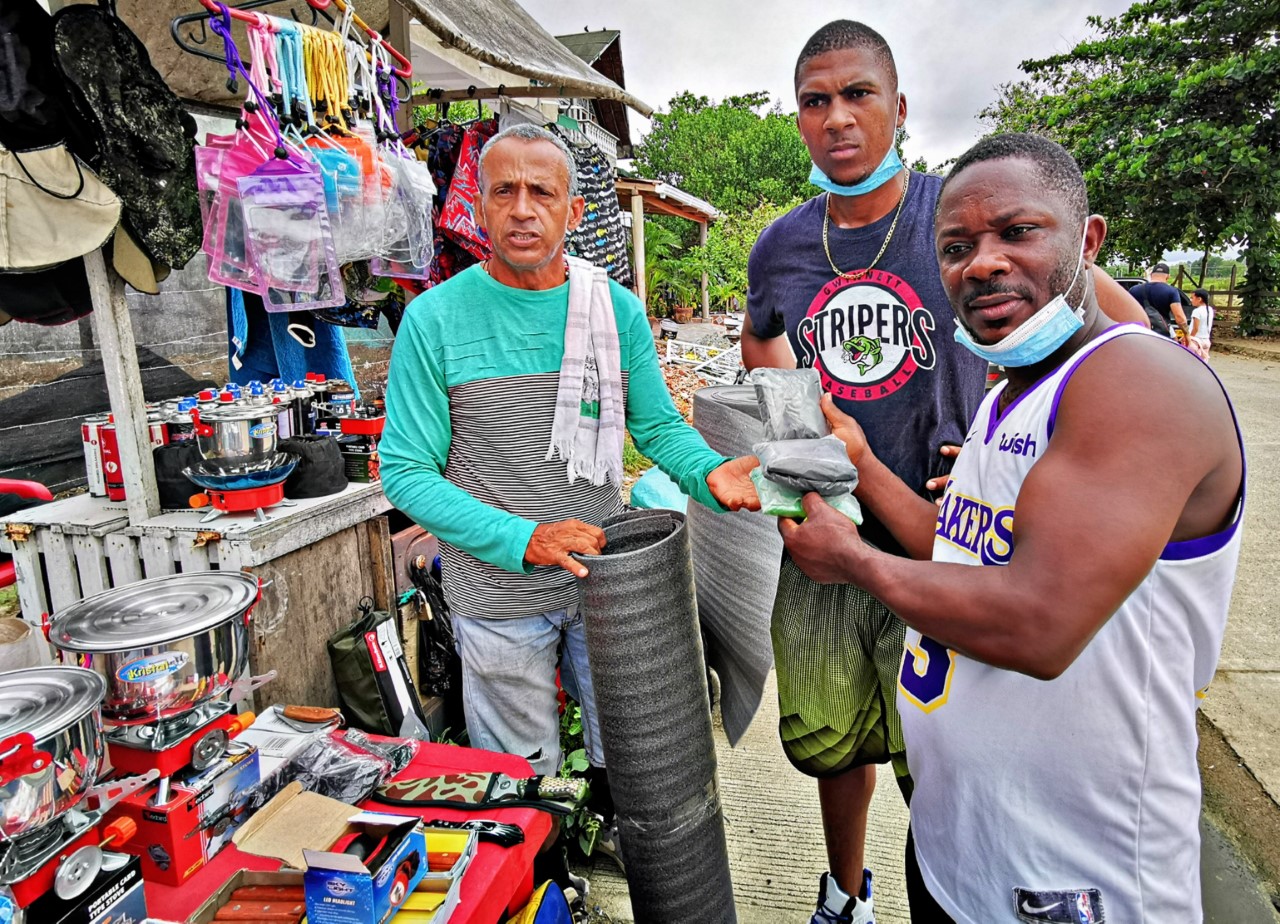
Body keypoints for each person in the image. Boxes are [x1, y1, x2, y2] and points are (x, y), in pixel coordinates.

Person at [742, 21, 1150, 924]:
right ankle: (846, 894)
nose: (838, 118)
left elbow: (1108, 319)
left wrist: (1023, 435)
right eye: (817, 101)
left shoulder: (961, 212)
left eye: (859, 95)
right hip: (829, 527)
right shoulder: (780, 246)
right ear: (799, 119)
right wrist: (792, 440)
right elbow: (761, 339)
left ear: (899, 106)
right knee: (829, 737)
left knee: (939, 739)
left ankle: (948, 882)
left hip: (950, 530)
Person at [780, 132, 1244, 923]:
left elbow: (1037, 622)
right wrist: (860, 463)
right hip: (959, 850)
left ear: (1088, 242)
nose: (983, 262)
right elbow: (961, 555)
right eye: (957, 247)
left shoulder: (1136, 383)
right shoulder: (1008, 394)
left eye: (1017, 232)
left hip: (1072, 878)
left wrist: (855, 563)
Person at [380, 124, 758, 870]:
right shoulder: (434, 320)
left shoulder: (612, 310)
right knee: (518, 773)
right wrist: (525, 539)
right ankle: (540, 885)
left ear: (573, 212)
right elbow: (407, 472)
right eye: (503, 192)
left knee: (634, 745)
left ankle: (622, 843)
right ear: (476, 209)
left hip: (607, 581)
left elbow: (655, 424)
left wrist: (706, 471)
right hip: (495, 591)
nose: (523, 209)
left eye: (542, 193)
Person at [1127, 261, 1192, 340]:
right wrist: (1187, 335)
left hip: (1139, 335)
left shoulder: (1134, 290)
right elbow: (1180, 318)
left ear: (1151, 275)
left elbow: (1127, 313)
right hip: (1161, 337)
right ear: (1168, 277)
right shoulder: (1171, 291)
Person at [1187, 286, 1214, 359]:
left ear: (1199, 299)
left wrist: (1189, 338)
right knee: (1203, 363)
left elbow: (1195, 328)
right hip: (1206, 340)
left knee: (1192, 363)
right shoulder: (1210, 309)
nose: (1191, 300)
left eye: (1192, 298)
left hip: (1196, 341)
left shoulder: (1197, 311)